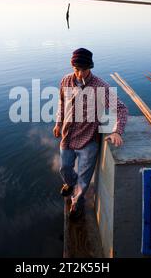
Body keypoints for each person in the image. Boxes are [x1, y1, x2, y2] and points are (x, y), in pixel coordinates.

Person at [53, 48, 128, 219]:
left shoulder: (100, 87)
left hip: (88, 140)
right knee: (64, 168)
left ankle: (76, 202)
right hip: (68, 136)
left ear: (90, 68)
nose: (79, 74)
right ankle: (70, 183)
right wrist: (58, 123)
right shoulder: (65, 81)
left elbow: (122, 109)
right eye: (76, 69)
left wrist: (117, 131)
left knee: (84, 178)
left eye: (83, 70)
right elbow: (61, 104)